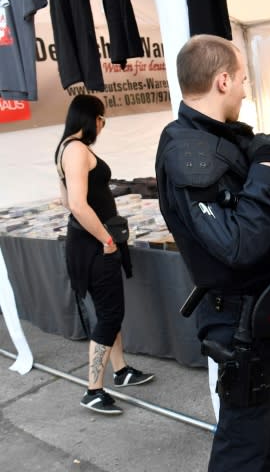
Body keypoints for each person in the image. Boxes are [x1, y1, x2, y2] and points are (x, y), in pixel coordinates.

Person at [155, 34, 270, 472]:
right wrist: (264, 169)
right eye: (240, 79)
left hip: (263, 315)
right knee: (242, 449)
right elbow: (238, 244)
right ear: (221, 81)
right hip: (238, 325)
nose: (243, 89)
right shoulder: (187, 151)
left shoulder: (216, 137)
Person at [55, 95, 154, 416]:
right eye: (102, 119)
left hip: (91, 242)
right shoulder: (76, 150)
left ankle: (121, 369)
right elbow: (78, 204)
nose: (102, 125)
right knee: (110, 316)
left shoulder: (66, 148)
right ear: (91, 119)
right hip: (95, 245)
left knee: (108, 309)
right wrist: (106, 238)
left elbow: (66, 199)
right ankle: (93, 389)